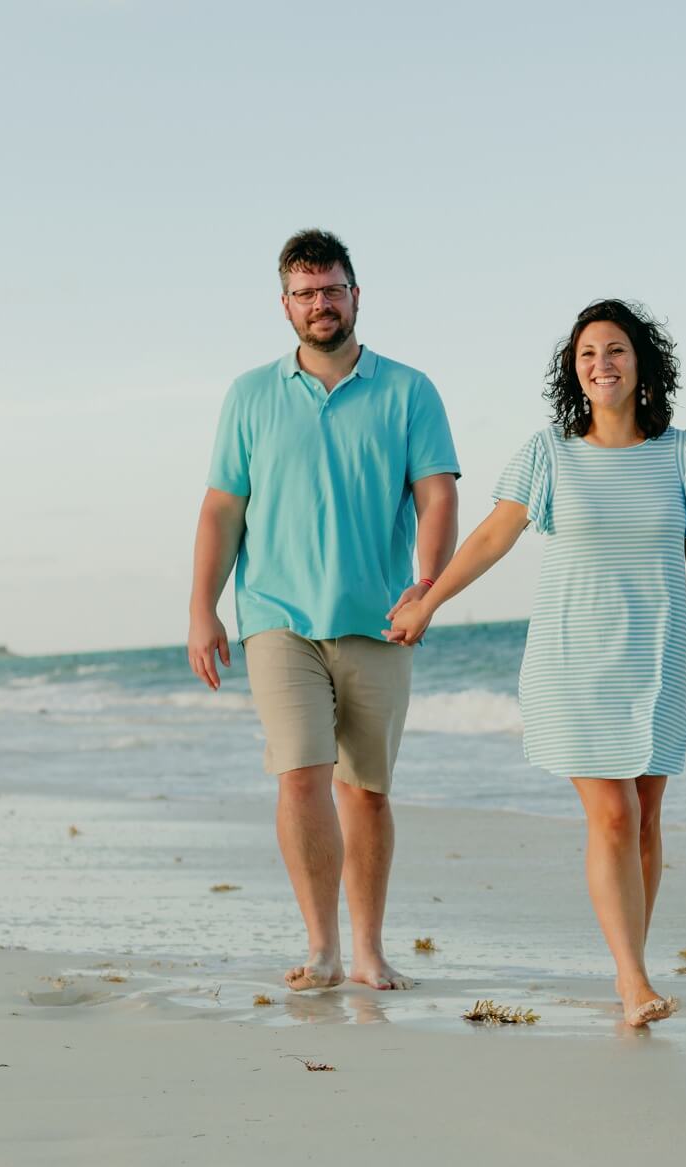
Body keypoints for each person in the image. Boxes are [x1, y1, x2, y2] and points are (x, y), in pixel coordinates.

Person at [384, 298, 686, 1027]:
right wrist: (427, 600)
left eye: (615, 350)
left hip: (654, 660)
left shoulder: (682, 454)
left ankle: (632, 967)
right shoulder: (549, 452)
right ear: (573, 371)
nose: (602, 365)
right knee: (613, 816)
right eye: (587, 354)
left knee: (646, 818)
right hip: (572, 659)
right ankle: (632, 979)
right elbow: (493, 537)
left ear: (640, 361)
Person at [186, 229, 461, 992]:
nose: (320, 304)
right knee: (300, 778)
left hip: (380, 618)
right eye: (305, 293)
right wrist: (202, 608)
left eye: (332, 289)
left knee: (366, 790)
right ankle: (322, 949)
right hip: (277, 618)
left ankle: (369, 949)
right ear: (285, 306)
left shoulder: (409, 390)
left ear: (355, 295)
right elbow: (222, 509)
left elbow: (437, 493)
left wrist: (428, 586)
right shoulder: (250, 395)